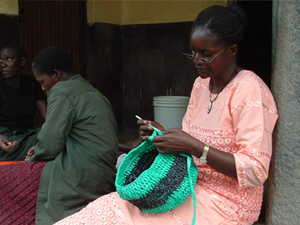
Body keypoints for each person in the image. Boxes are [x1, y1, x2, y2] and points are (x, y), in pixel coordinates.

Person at [55, 4, 278, 225]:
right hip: (187, 187)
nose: (197, 60)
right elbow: (189, 143)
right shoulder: (201, 86)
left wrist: (196, 147)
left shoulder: (250, 90)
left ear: (232, 50)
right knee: (106, 208)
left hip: (228, 204)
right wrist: (162, 136)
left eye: (206, 54)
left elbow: (255, 170)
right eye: (193, 52)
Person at [0, 46, 119, 225]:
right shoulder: (94, 92)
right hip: (105, 176)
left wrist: (32, 158)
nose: (42, 88)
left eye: (42, 82)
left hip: (79, 177)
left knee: (8, 179)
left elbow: (49, 144)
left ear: (56, 75)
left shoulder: (62, 90)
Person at [0, 44, 47, 161]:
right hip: (5, 137)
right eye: (0, 60)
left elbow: (48, 116)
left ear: (22, 61)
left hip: (29, 135)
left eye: (9, 59)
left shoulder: (32, 84)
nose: (3, 64)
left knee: (51, 138)